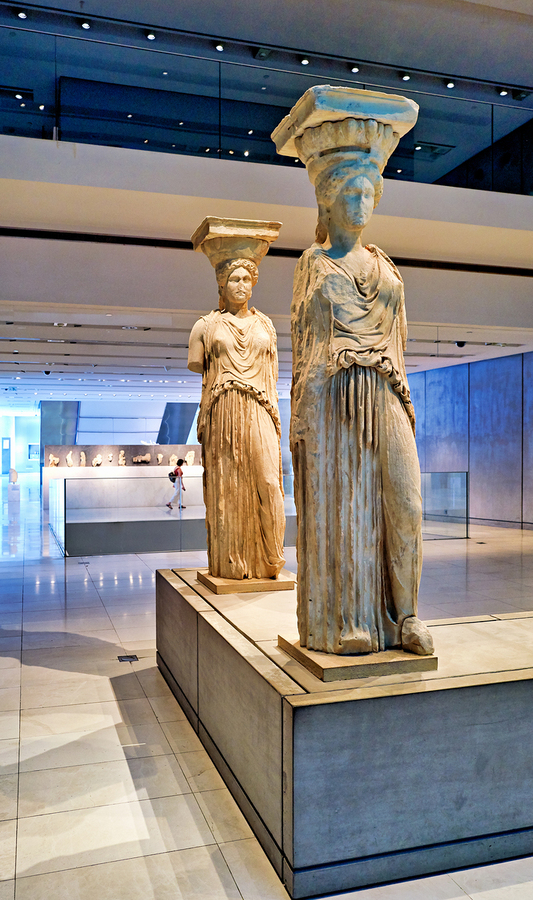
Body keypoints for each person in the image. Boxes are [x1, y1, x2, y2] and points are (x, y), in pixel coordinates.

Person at [275, 91, 433, 656]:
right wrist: (302, 421)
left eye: (369, 191)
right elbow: (306, 346)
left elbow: (400, 340)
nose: (362, 201)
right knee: (348, 508)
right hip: (337, 394)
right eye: (351, 192)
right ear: (329, 199)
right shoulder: (314, 265)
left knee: (405, 503)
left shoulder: (385, 266)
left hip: (386, 390)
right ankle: (349, 621)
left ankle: (407, 615)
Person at [188, 258, 286, 579]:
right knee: (228, 489)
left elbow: (272, 375)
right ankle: (232, 562)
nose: (241, 285)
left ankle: (271, 556)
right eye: (234, 279)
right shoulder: (205, 326)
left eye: (246, 278)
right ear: (222, 284)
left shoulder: (266, 326)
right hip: (223, 408)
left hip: (259, 406)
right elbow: (197, 363)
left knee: (270, 482)